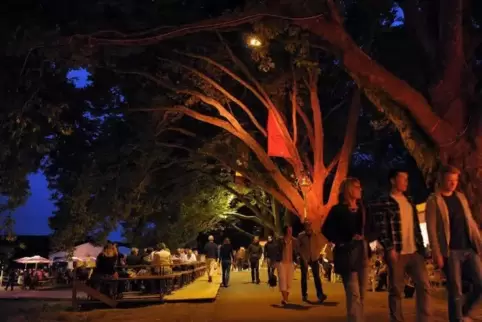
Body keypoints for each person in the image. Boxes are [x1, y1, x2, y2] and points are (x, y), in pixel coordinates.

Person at [370, 168, 431, 322]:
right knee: (396, 290)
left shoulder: (409, 200)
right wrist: (389, 248)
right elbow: (381, 228)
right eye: (402, 178)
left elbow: (416, 226)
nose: (406, 182)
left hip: (414, 251)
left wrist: (421, 247)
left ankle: (424, 319)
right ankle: (396, 319)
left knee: (424, 286)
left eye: (407, 179)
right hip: (397, 252)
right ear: (392, 180)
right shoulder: (384, 201)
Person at [425, 165, 482, 322]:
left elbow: (470, 221)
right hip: (451, 251)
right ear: (442, 179)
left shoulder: (460, 197)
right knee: (455, 290)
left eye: (455, 180)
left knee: (480, 283)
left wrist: (478, 242)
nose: (453, 183)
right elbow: (431, 230)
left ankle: (464, 312)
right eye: (450, 180)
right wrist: (437, 253)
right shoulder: (434, 201)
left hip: (469, 248)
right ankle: (457, 319)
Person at [322, 177, 378, 322]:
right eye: (357, 187)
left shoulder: (364, 210)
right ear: (349, 190)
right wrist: (342, 241)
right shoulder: (337, 210)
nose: (360, 190)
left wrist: (365, 237)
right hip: (347, 255)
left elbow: (374, 230)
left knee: (362, 295)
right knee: (353, 295)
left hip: (363, 253)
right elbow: (326, 229)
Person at [298, 220, 327, 302]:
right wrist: (302, 256)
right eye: (307, 225)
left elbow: (322, 243)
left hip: (314, 258)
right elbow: (298, 247)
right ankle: (304, 294)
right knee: (304, 277)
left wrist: (318, 253)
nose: (308, 227)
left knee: (317, 277)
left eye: (310, 225)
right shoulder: (301, 236)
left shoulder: (316, 235)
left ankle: (320, 294)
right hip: (304, 258)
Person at [275, 226, 298, 305]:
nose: (290, 232)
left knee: (289, 282)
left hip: (291, 263)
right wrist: (274, 262)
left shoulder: (294, 241)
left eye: (291, 230)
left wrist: (297, 261)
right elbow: (276, 251)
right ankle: (285, 299)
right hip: (281, 263)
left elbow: (298, 251)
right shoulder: (280, 240)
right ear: (285, 231)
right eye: (288, 230)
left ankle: (285, 299)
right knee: (282, 280)